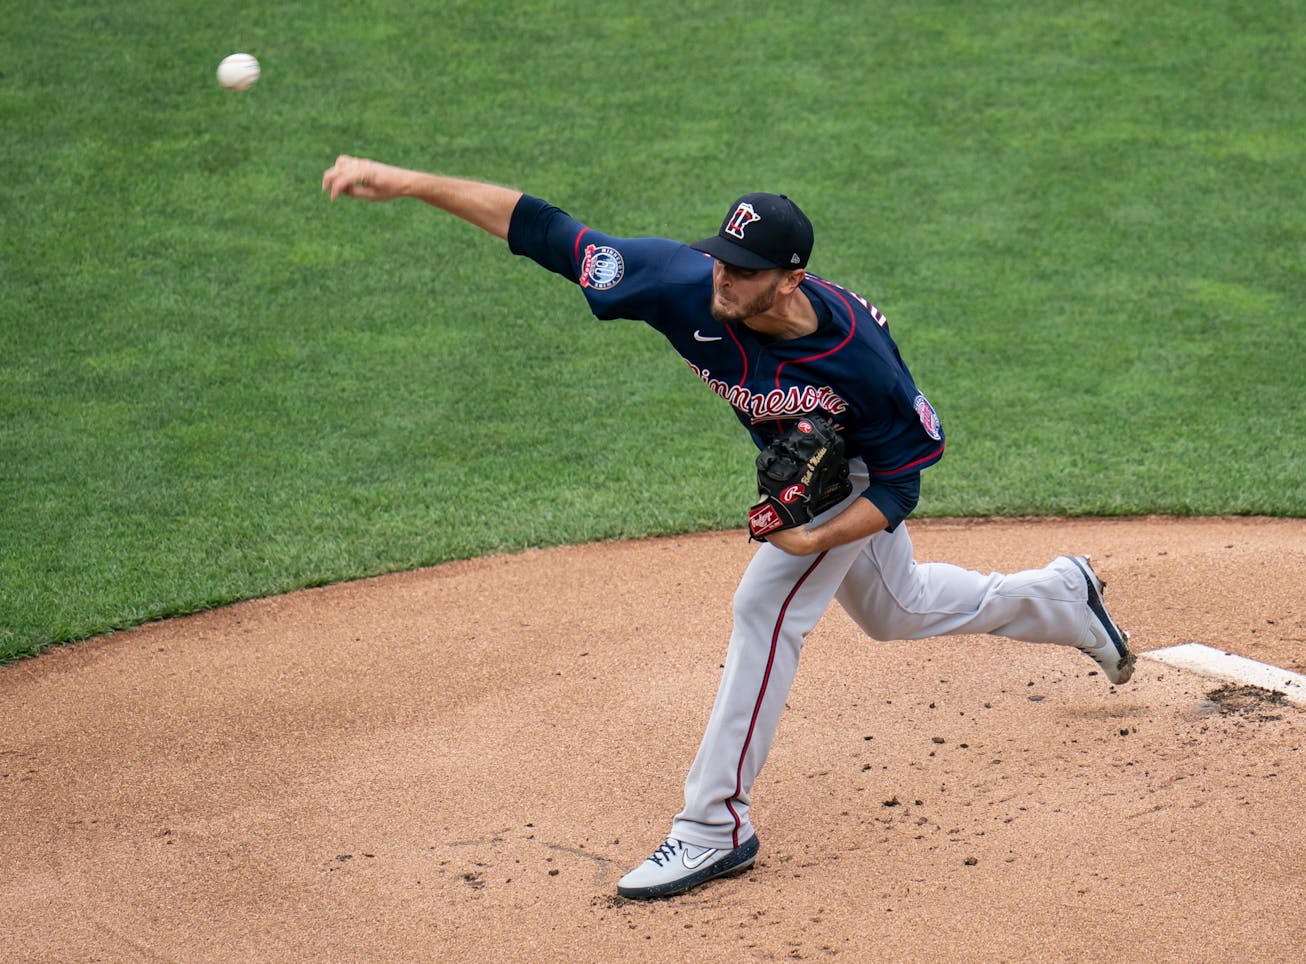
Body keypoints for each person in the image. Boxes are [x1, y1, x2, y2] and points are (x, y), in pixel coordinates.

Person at [321, 155, 1136, 900]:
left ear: (791, 280)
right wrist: (408, 183)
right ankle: (1063, 597)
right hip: (815, 468)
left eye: (744, 271)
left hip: (846, 475)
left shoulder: (862, 365)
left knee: (763, 607)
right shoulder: (680, 281)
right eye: (722, 257)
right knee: (899, 609)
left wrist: (814, 540)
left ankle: (715, 826)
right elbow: (544, 228)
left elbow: (898, 481)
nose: (724, 277)